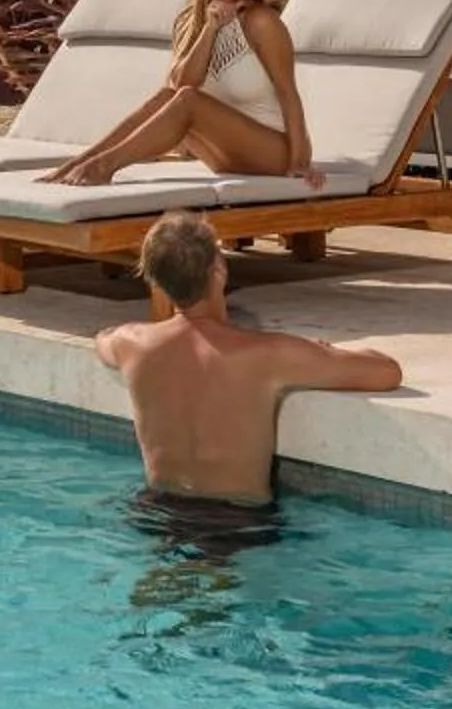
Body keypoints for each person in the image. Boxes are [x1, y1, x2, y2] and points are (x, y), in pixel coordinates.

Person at [96, 211, 404, 505]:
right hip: (235, 523)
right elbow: (387, 372)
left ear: (156, 282)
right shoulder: (268, 353)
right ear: (219, 270)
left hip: (156, 511)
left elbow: (102, 340)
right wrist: (324, 352)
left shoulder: (131, 344)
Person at [44, 0, 318, 188]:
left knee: (188, 101)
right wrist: (211, 28)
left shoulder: (262, 22)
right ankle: (82, 161)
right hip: (224, 155)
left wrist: (299, 163)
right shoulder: (192, 21)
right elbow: (180, 84)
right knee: (168, 96)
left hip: (272, 152)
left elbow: (288, 94)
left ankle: (102, 167)